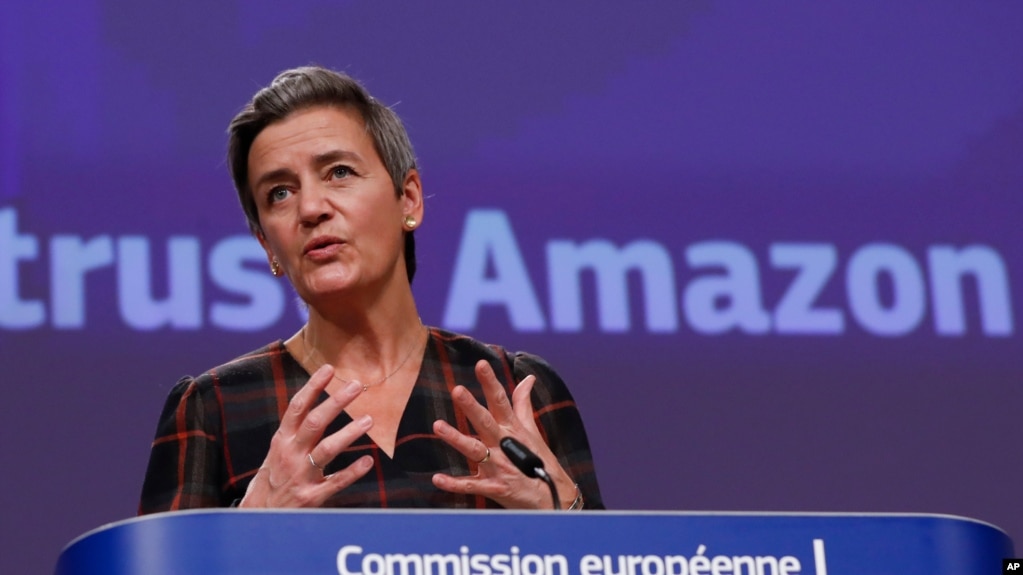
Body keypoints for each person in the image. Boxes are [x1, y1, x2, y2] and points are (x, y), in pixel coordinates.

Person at [139, 66, 603, 512]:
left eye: (338, 172)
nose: (311, 208)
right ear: (267, 245)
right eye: (279, 193)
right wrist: (246, 528)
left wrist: (562, 512)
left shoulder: (517, 391)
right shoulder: (216, 408)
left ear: (409, 199)